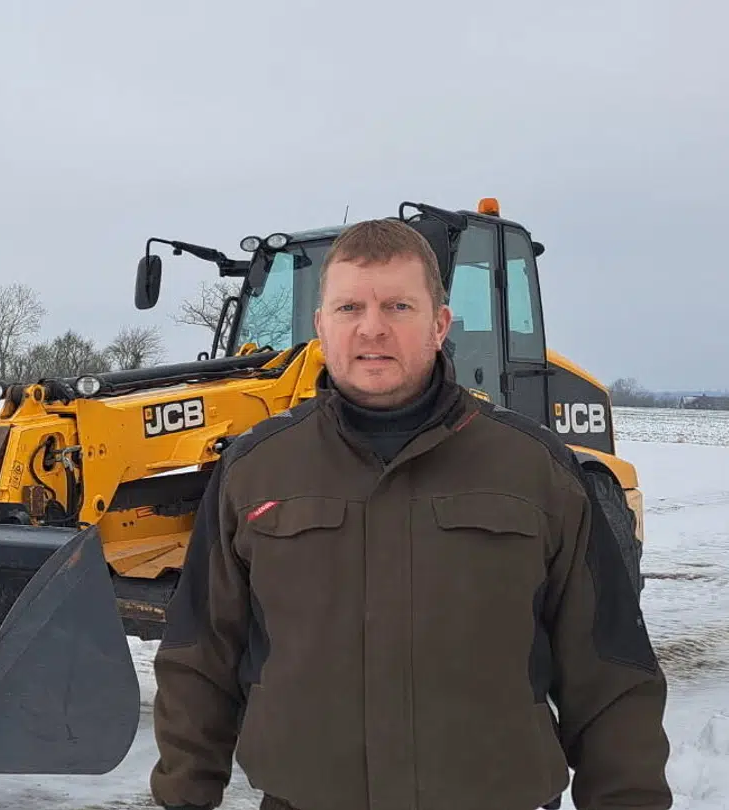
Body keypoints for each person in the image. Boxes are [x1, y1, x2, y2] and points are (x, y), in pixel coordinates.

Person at [148, 218, 671, 810]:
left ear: (440, 324)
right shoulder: (256, 469)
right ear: (320, 326)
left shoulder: (537, 470)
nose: (372, 328)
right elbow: (199, 660)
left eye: (399, 305)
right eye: (349, 307)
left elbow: (611, 679)